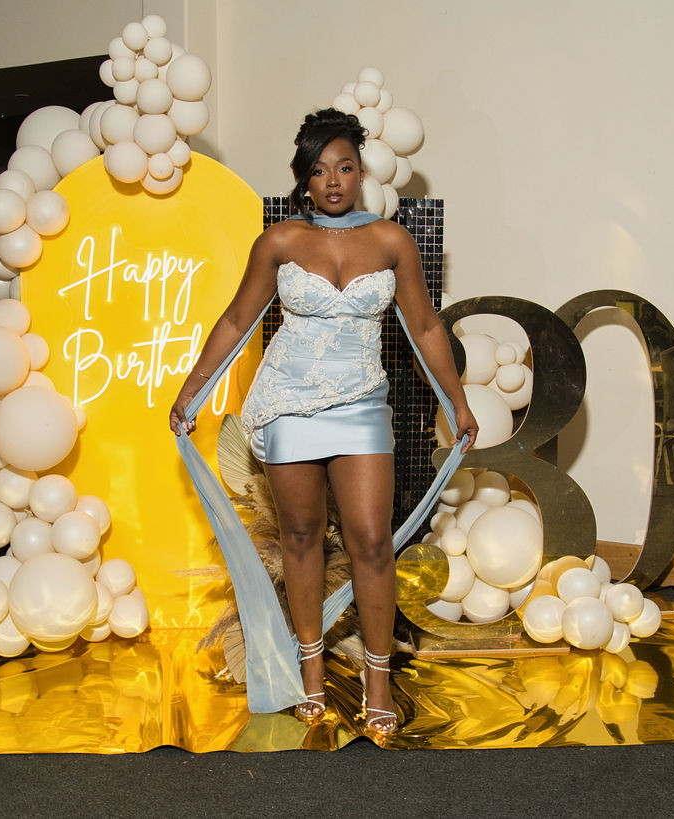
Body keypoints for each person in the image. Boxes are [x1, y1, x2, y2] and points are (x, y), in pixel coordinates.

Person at [169, 108, 477, 735]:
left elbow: (424, 326)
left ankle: (377, 680)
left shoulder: (391, 241)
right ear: (303, 179)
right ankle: (309, 672)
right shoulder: (279, 242)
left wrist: (458, 402)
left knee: (371, 542)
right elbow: (237, 321)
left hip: (361, 403)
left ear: (361, 173)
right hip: (288, 403)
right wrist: (191, 390)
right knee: (302, 538)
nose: (333, 181)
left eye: (344, 168)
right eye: (319, 170)